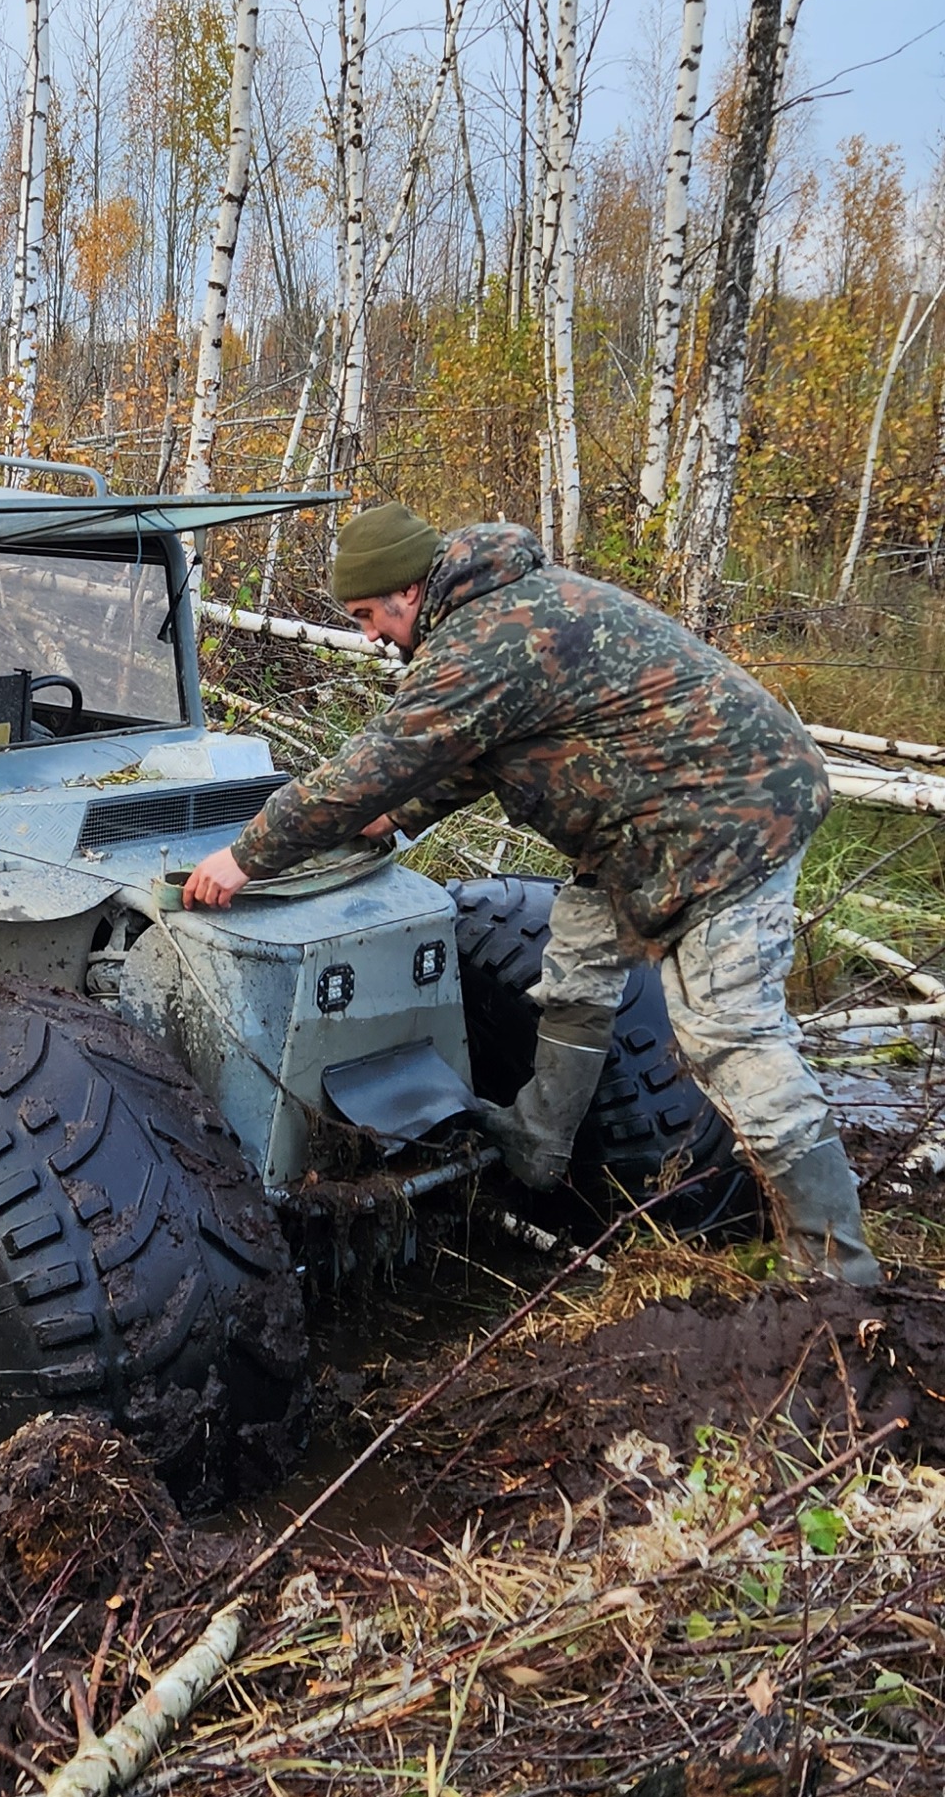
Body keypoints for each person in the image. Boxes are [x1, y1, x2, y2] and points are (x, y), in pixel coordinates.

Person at [184, 500, 880, 1285]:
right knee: (578, 954)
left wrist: (247, 857)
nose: (370, 634)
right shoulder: (497, 612)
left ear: (407, 591)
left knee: (729, 1034)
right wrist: (401, 815)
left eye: (368, 614)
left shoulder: (487, 639)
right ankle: (538, 1143)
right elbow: (479, 751)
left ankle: (833, 1270)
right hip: (650, 822)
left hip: (726, 818)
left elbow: (380, 758)